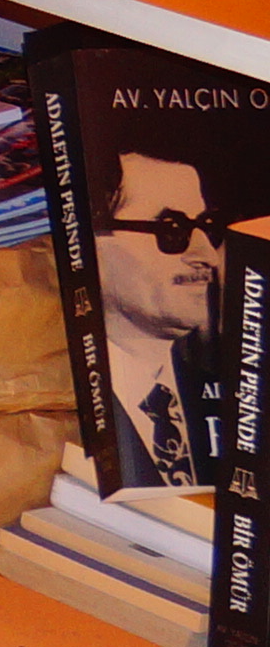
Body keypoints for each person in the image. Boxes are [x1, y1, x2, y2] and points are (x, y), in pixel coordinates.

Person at [100, 148, 227, 492]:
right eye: (173, 229)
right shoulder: (59, 399)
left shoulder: (225, 395)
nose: (208, 256)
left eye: (208, 228)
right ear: (92, 242)